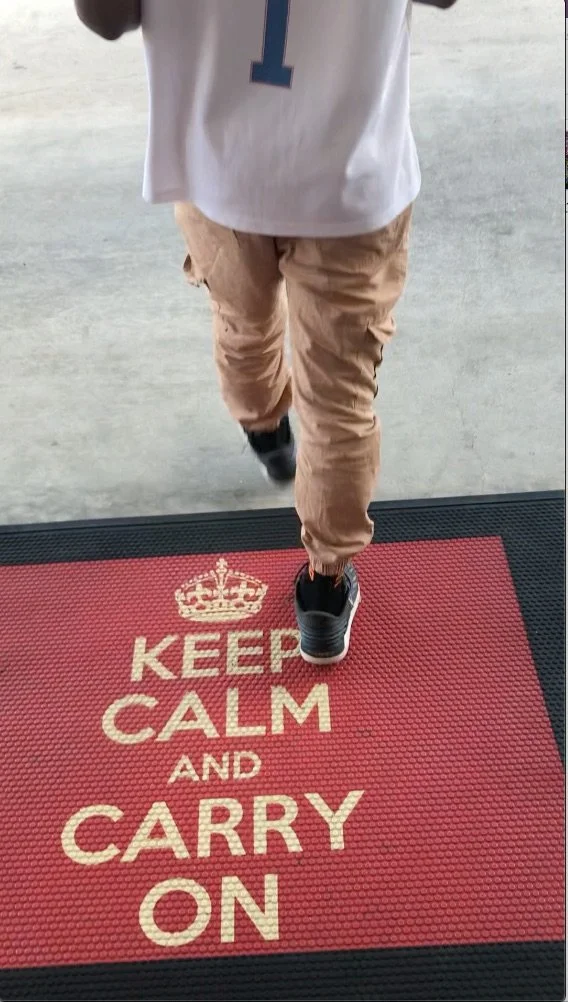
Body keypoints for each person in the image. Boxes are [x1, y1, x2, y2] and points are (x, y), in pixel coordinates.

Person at [76, 0, 458, 665]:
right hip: (351, 169)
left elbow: (106, 18)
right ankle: (324, 588)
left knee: (242, 321)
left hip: (218, 164)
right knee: (339, 395)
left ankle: (263, 429)